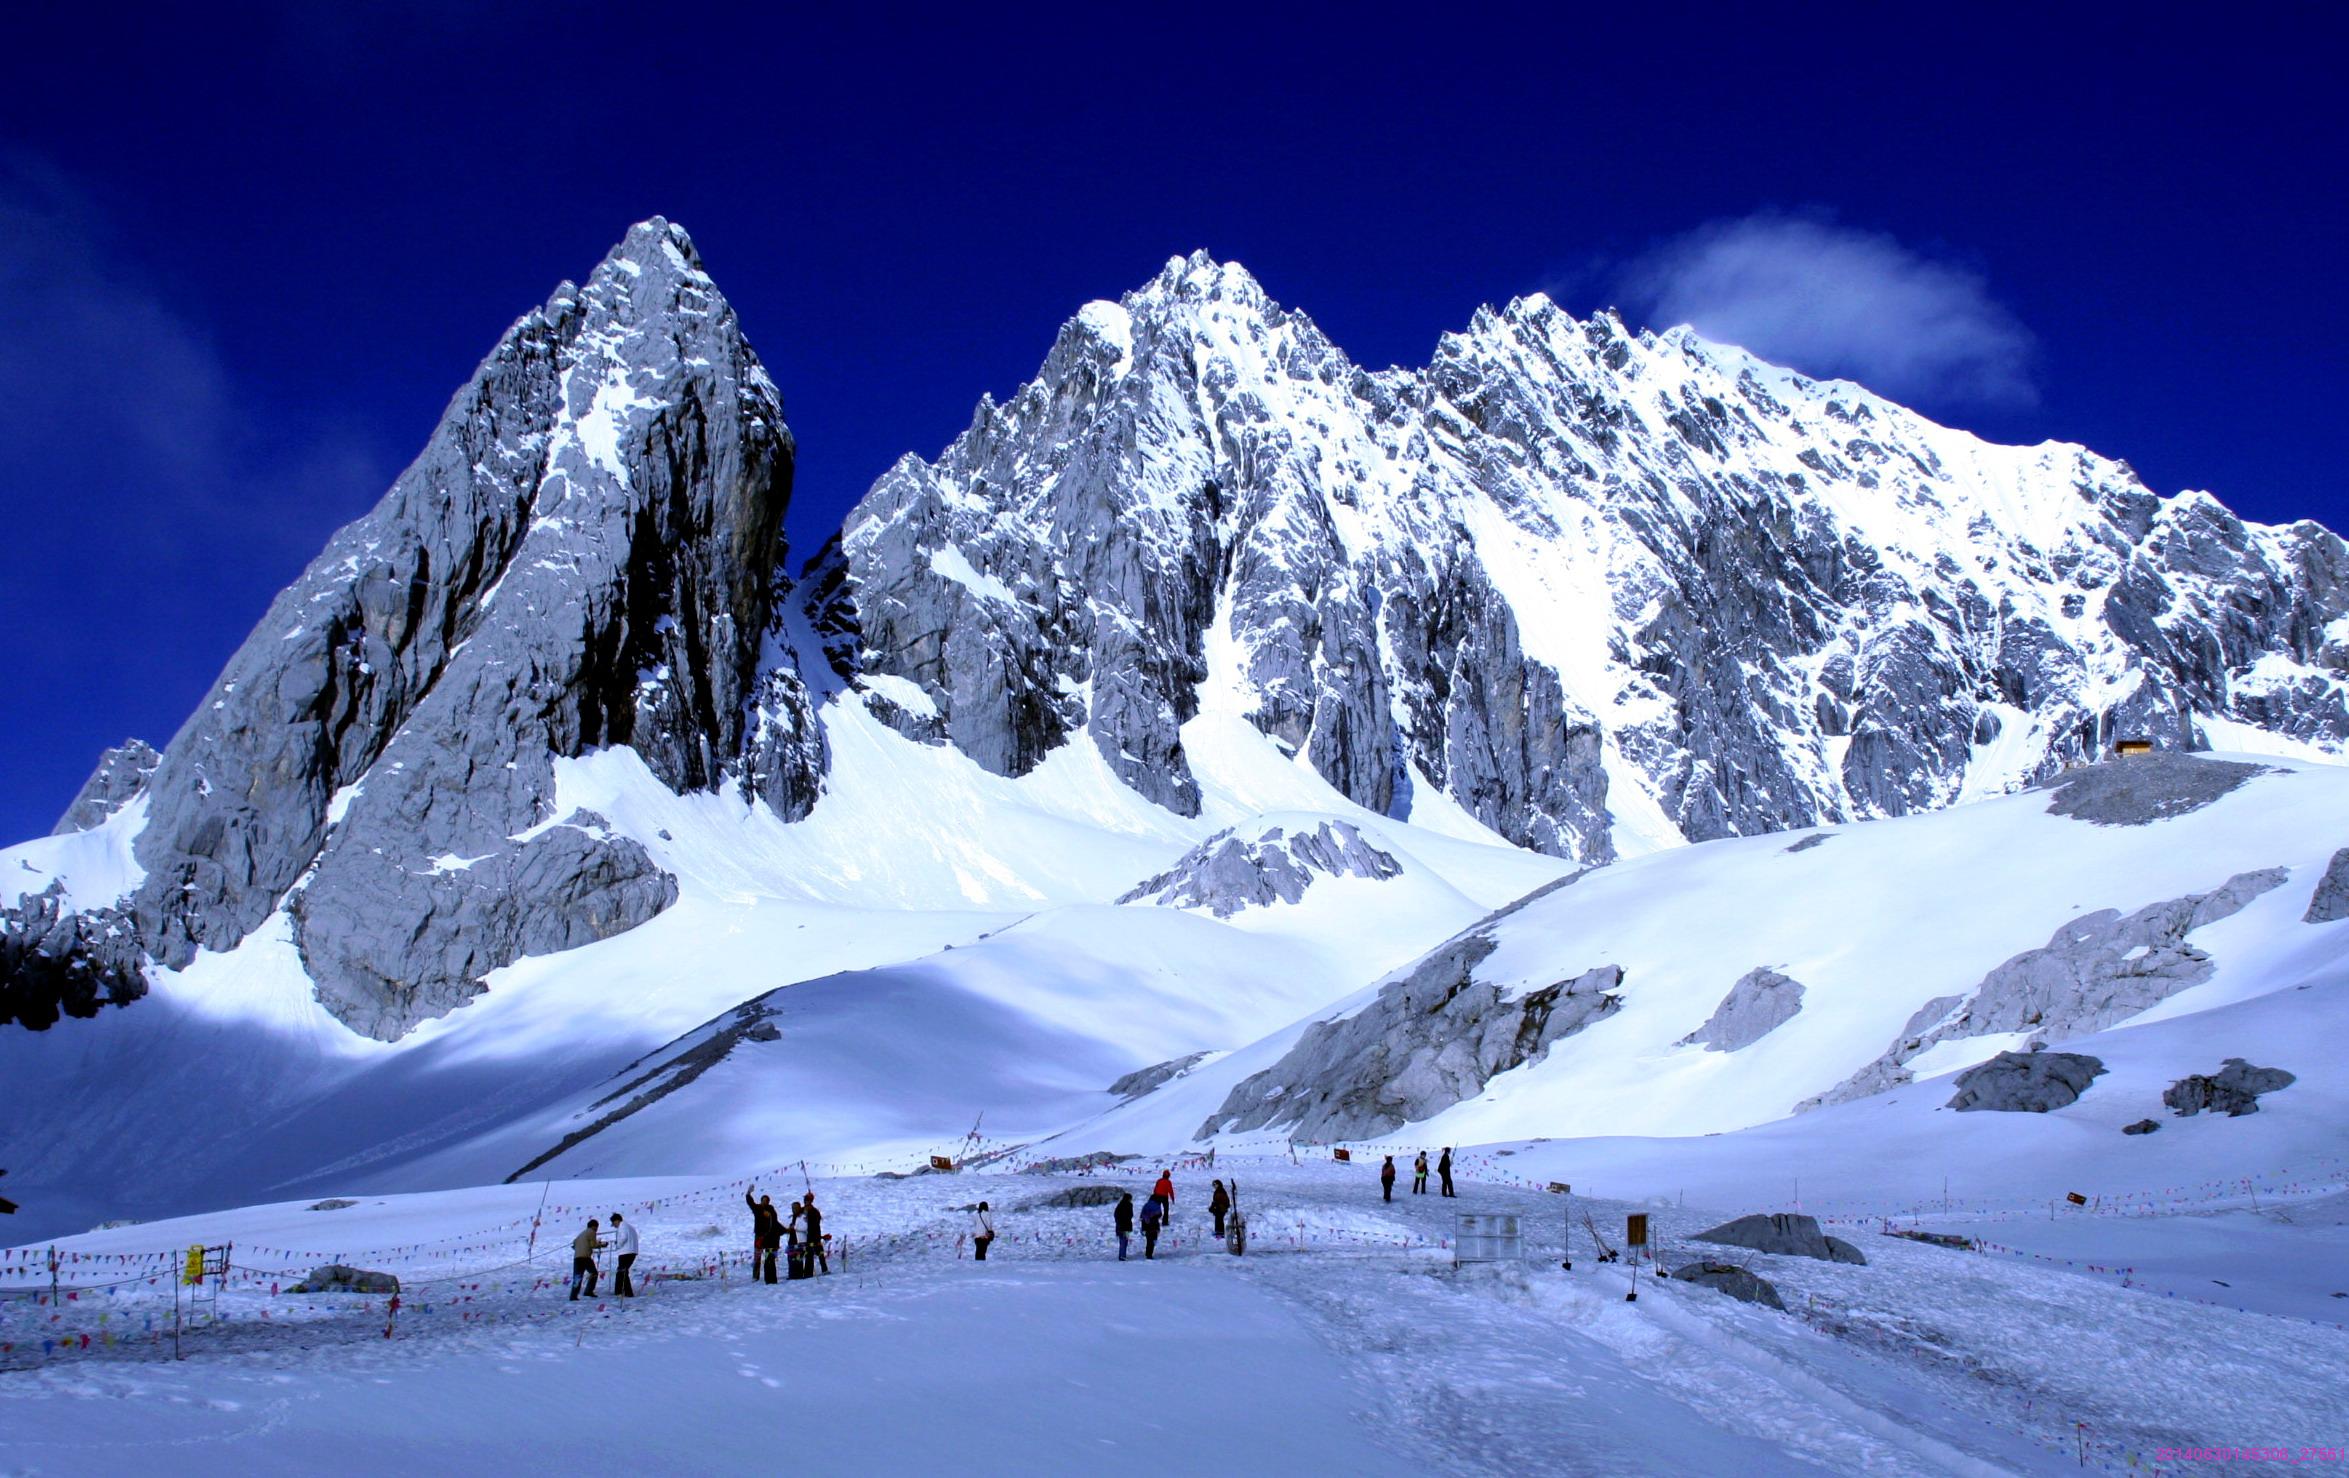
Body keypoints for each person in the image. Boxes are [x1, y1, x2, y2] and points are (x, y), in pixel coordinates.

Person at [745, 1188, 782, 1284]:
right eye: (763, 1200)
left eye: (766, 1201)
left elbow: (775, 1221)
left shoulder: (771, 1209)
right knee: (757, 1256)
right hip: (759, 1236)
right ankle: (755, 1276)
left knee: (769, 1256)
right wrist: (748, 1193)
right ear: (761, 1201)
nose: (765, 1202)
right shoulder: (757, 1208)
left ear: (768, 1202)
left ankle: (768, 1274)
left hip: (769, 1236)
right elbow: (750, 1203)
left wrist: (769, 1215)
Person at [570, 1218, 606, 1301]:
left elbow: (574, 1243)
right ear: (594, 1226)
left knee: (577, 1277)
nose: (597, 1230)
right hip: (585, 1257)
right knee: (594, 1273)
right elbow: (593, 1245)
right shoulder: (591, 1232)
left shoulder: (581, 1234)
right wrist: (602, 1245)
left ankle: (573, 1295)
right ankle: (588, 1291)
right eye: (597, 1227)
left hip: (577, 1257)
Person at [610, 1211, 639, 1297]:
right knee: (623, 1272)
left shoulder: (622, 1226)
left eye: (613, 1223)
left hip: (625, 1252)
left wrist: (618, 1245)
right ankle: (624, 1291)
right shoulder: (630, 1227)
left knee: (621, 1272)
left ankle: (621, 1292)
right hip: (632, 1251)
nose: (614, 1225)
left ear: (616, 1221)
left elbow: (623, 1237)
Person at [799, 1193, 828, 1274]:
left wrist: (808, 1219)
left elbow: (816, 1223)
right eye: (805, 1200)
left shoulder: (814, 1211)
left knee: (820, 1253)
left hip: (814, 1235)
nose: (805, 1201)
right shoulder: (801, 1210)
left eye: (807, 1200)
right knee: (808, 1253)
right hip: (805, 1236)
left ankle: (824, 1269)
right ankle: (808, 1271)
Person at [1139, 1193, 1163, 1259]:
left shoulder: (1146, 1205)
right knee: (1153, 1240)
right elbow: (1159, 1214)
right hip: (1154, 1224)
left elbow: (1142, 1215)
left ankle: (1148, 1253)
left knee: (1148, 1240)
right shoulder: (1157, 1205)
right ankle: (1149, 1254)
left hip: (1146, 1225)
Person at [1113, 1191, 1135, 1261]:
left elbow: (1116, 1215)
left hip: (1119, 1226)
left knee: (1122, 1241)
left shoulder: (1119, 1205)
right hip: (1126, 1226)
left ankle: (1121, 1255)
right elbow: (1130, 1215)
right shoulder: (1129, 1205)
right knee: (1125, 1241)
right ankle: (1123, 1256)